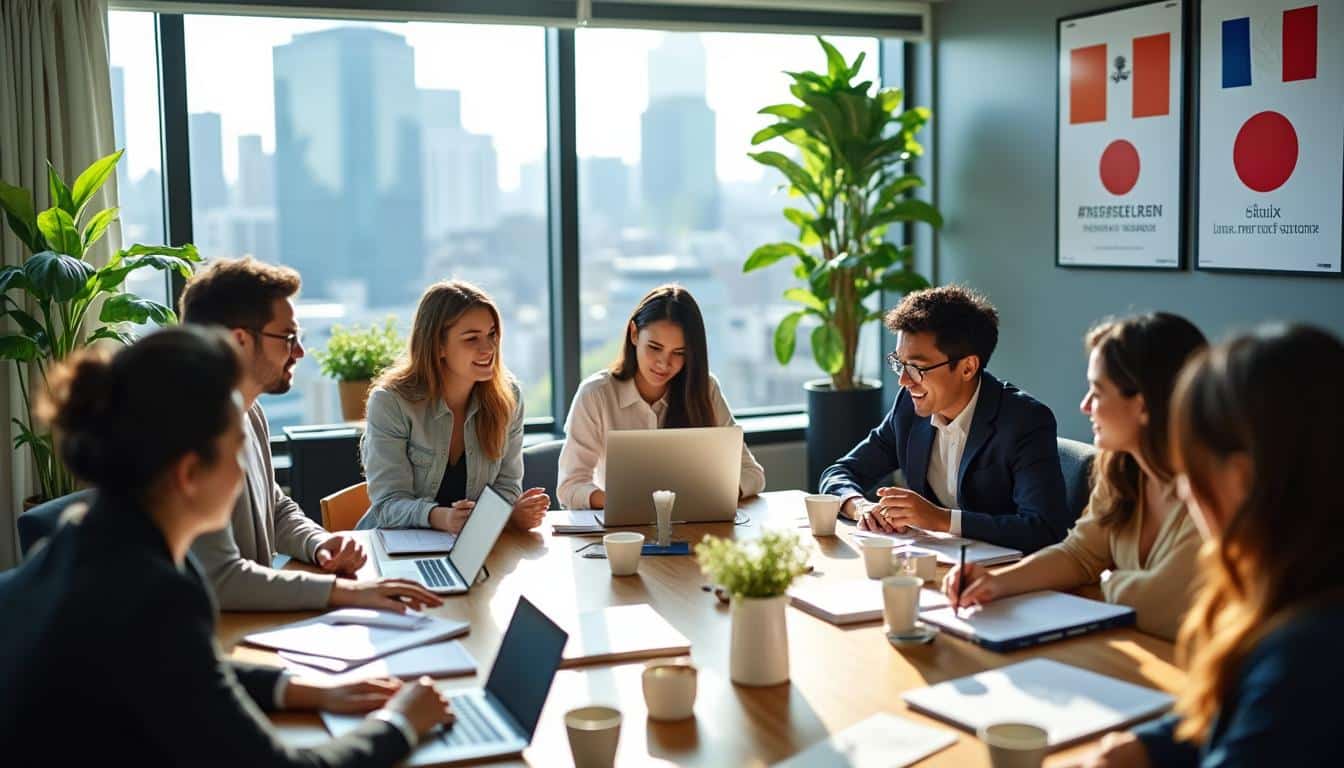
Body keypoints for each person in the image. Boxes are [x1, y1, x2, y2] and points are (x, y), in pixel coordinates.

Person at [0, 326, 453, 765]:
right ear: (189, 473)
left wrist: (305, 690)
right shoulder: (153, 593)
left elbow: (189, 671)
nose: (244, 472)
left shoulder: (83, 539)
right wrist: (401, 722)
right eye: (237, 449)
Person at [1081, 325, 1344, 768]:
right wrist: (1140, 748)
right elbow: (1240, 715)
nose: (1184, 492)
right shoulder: (1295, 596)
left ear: (1241, 480)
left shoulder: (1307, 651)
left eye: (1190, 469)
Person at [180, 257, 441, 611]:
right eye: (288, 338)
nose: (300, 351)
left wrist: (319, 544)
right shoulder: (189, 431)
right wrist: (347, 593)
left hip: (247, 622)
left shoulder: (248, 412)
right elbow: (222, 580)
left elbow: (274, 507)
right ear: (240, 341)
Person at [944, 313, 1206, 640]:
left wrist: (1103, 583)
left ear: (1143, 405)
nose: (1084, 406)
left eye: (1097, 392)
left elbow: (1163, 607)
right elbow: (1080, 555)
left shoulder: (1211, 492)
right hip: (1132, 650)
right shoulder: (1122, 471)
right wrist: (996, 582)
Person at [819, 284, 1072, 553]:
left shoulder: (1024, 421)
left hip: (1005, 577)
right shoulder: (908, 409)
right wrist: (861, 507)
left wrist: (940, 519)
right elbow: (837, 474)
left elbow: (1044, 529)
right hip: (934, 566)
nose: (904, 381)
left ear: (967, 367)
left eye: (916, 368)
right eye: (899, 364)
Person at [357, 280, 548, 532]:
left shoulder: (508, 397)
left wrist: (511, 515)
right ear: (438, 346)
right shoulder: (391, 402)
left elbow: (507, 487)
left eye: (492, 334)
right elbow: (388, 505)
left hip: (471, 548)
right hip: (394, 549)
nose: (489, 348)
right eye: (471, 339)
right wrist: (442, 517)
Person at [557, 284, 766, 510]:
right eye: (655, 348)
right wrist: (623, 503)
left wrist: (710, 496)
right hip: (623, 534)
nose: (664, 363)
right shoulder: (595, 394)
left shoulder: (704, 388)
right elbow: (570, 487)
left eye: (679, 353)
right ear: (634, 334)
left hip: (696, 528)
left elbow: (752, 474)